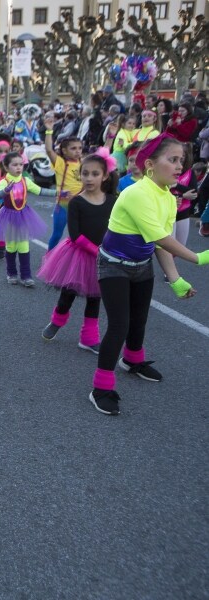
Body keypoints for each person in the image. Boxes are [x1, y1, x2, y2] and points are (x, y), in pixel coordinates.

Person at [88, 134, 209, 416]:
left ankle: (132, 360)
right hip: (114, 264)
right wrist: (199, 258)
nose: (180, 166)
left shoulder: (167, 197)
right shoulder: (137, 193)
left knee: (139, 320)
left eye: (181, 160)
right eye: (172, 159)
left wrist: (175, 279)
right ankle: (101, 388)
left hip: (141, 265)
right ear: (151, 164)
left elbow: (158, 241)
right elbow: (161, 237)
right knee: (119, 324)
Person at [39, 149, 118, 353]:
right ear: (79, 174)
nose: (89, 178)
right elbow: (75, 235)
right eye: (85, 173)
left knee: (95, 298)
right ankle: (57, 320)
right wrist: (97, 250)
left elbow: (117, 227)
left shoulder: (112, 200)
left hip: (104, 255)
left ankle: (89, 338)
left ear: (105, 176)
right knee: (69, 294)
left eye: (95, 174)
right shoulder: (76, 201)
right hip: (80, 254)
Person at [0, 152, 55, 286]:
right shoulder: (4, 181)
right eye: (14, 165)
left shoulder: (25, 180)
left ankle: (26, 276)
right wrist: (4, 192)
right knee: (11, 246)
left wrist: (58, 193)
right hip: (8, 216)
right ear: (6, 166)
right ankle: (11, 273)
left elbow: (39, 191)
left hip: (23, 215)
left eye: (20, 164)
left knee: (24, 246)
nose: (18, 167)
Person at [43, 115, 84, 249]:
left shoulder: (85, 163)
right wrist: (49, 130)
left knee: (79, 236)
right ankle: (49, 259)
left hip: (80, 204)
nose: (77, 151)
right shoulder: (61, 163)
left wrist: (109, 138)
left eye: (79, 148)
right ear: (64, 151)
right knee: (57, 234)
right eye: (73, 148)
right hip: (63, 206)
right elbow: (49, 150)